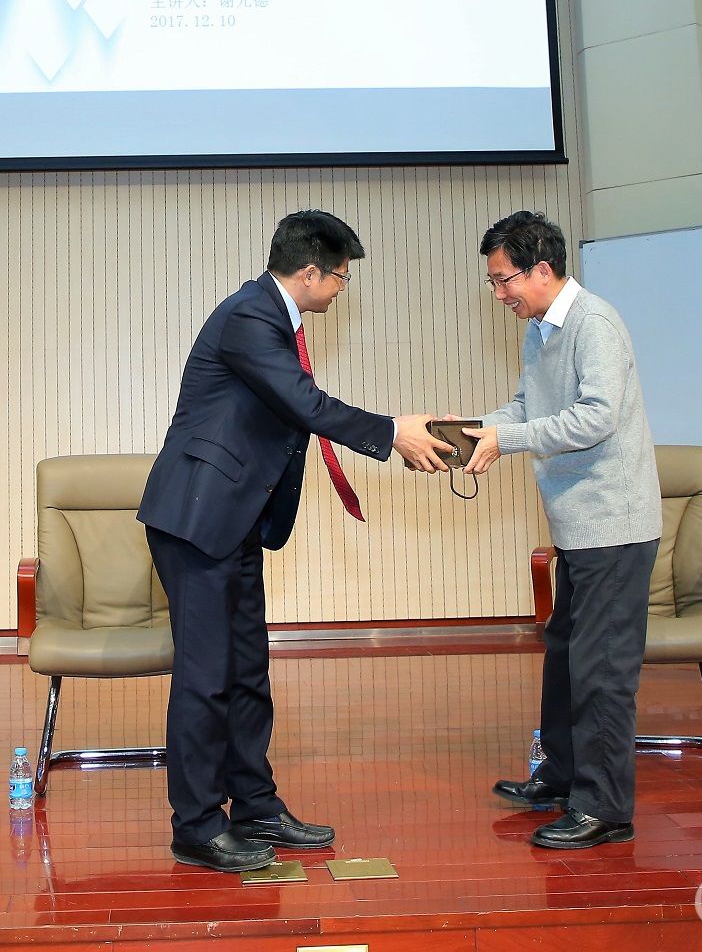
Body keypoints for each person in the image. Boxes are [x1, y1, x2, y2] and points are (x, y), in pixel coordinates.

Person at [138, 209, 450, 872]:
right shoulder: (250, 317)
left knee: (247, 672)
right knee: (205, 678)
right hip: (197, 520)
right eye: (340, 277)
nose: (341, 288)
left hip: (235, 519)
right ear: (310, 272)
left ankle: (254, 805)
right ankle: (196, 825)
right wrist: (391, 432)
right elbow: (305, 404)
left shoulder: (272, 318)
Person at [460, 210, 662, 849]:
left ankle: (605, 809)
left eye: (504, 280)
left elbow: (596, 417)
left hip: (614, 526)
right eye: (494, 282)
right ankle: (561, 776)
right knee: (566, 657)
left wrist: (508, 440)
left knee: (602, 670)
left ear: (541, 269)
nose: (499, 294)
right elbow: (528, 407)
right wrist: (471, 430)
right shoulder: (540, 329)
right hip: (579, 526)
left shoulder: (593, 323)